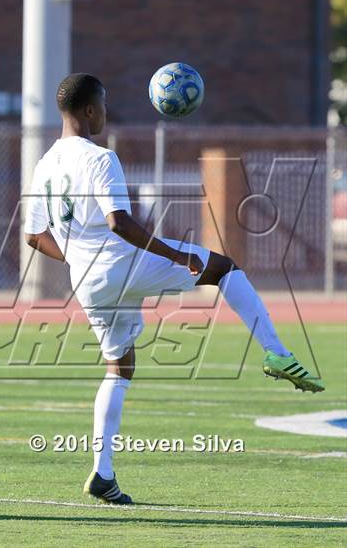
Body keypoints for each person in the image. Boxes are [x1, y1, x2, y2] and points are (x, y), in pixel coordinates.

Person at [24, 73, 325, 505]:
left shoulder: (45, 163)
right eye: (103, 104)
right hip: (120, 261)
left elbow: (34, 237)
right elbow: (119, 223)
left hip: (86, 280)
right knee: (223, 268)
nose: (106, 112)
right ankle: (276, 352)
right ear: (90, 110)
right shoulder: (99, 158)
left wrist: (77, 258)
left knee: (118, 368)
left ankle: (102, 473)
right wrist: (174, 255)